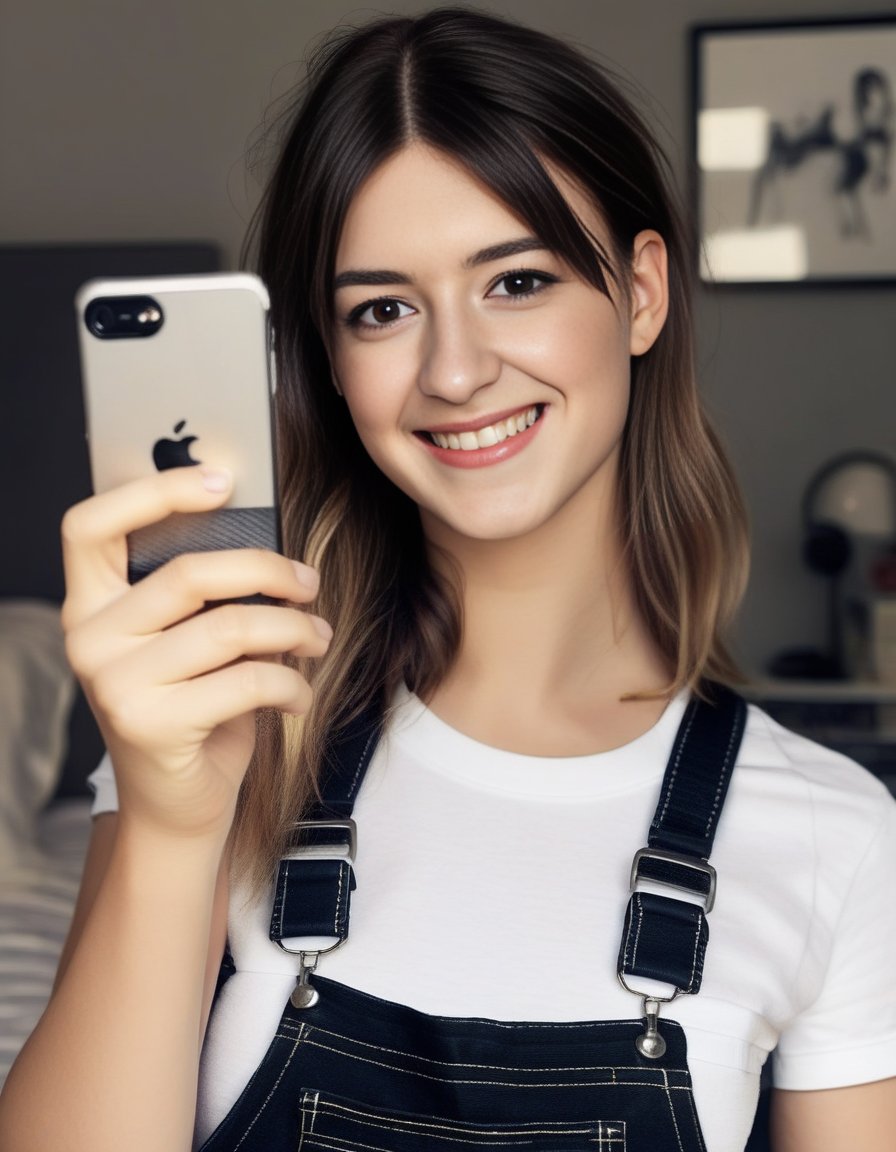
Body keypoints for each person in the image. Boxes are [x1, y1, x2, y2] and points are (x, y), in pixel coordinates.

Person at [1, 9, 894, 1151]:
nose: (456, 370)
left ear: (638, 293)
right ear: (329, 362)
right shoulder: (224, 727)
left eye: (513, 282)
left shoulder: (831, 833)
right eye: (381, 309)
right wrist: (173, 823)